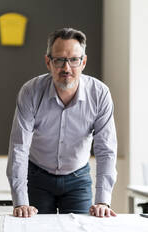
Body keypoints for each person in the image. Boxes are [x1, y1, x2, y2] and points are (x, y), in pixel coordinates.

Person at [7, 27, 117, 218]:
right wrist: (21, 202)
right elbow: (19, 147)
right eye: (59, 60)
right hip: (37, 177)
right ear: (48, 62)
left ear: (83, 62)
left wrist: (102, 201)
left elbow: (106, 149)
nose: (66, 68)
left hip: (78, 179)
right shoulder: (30, 92)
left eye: (74, 60)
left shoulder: (100, 94)